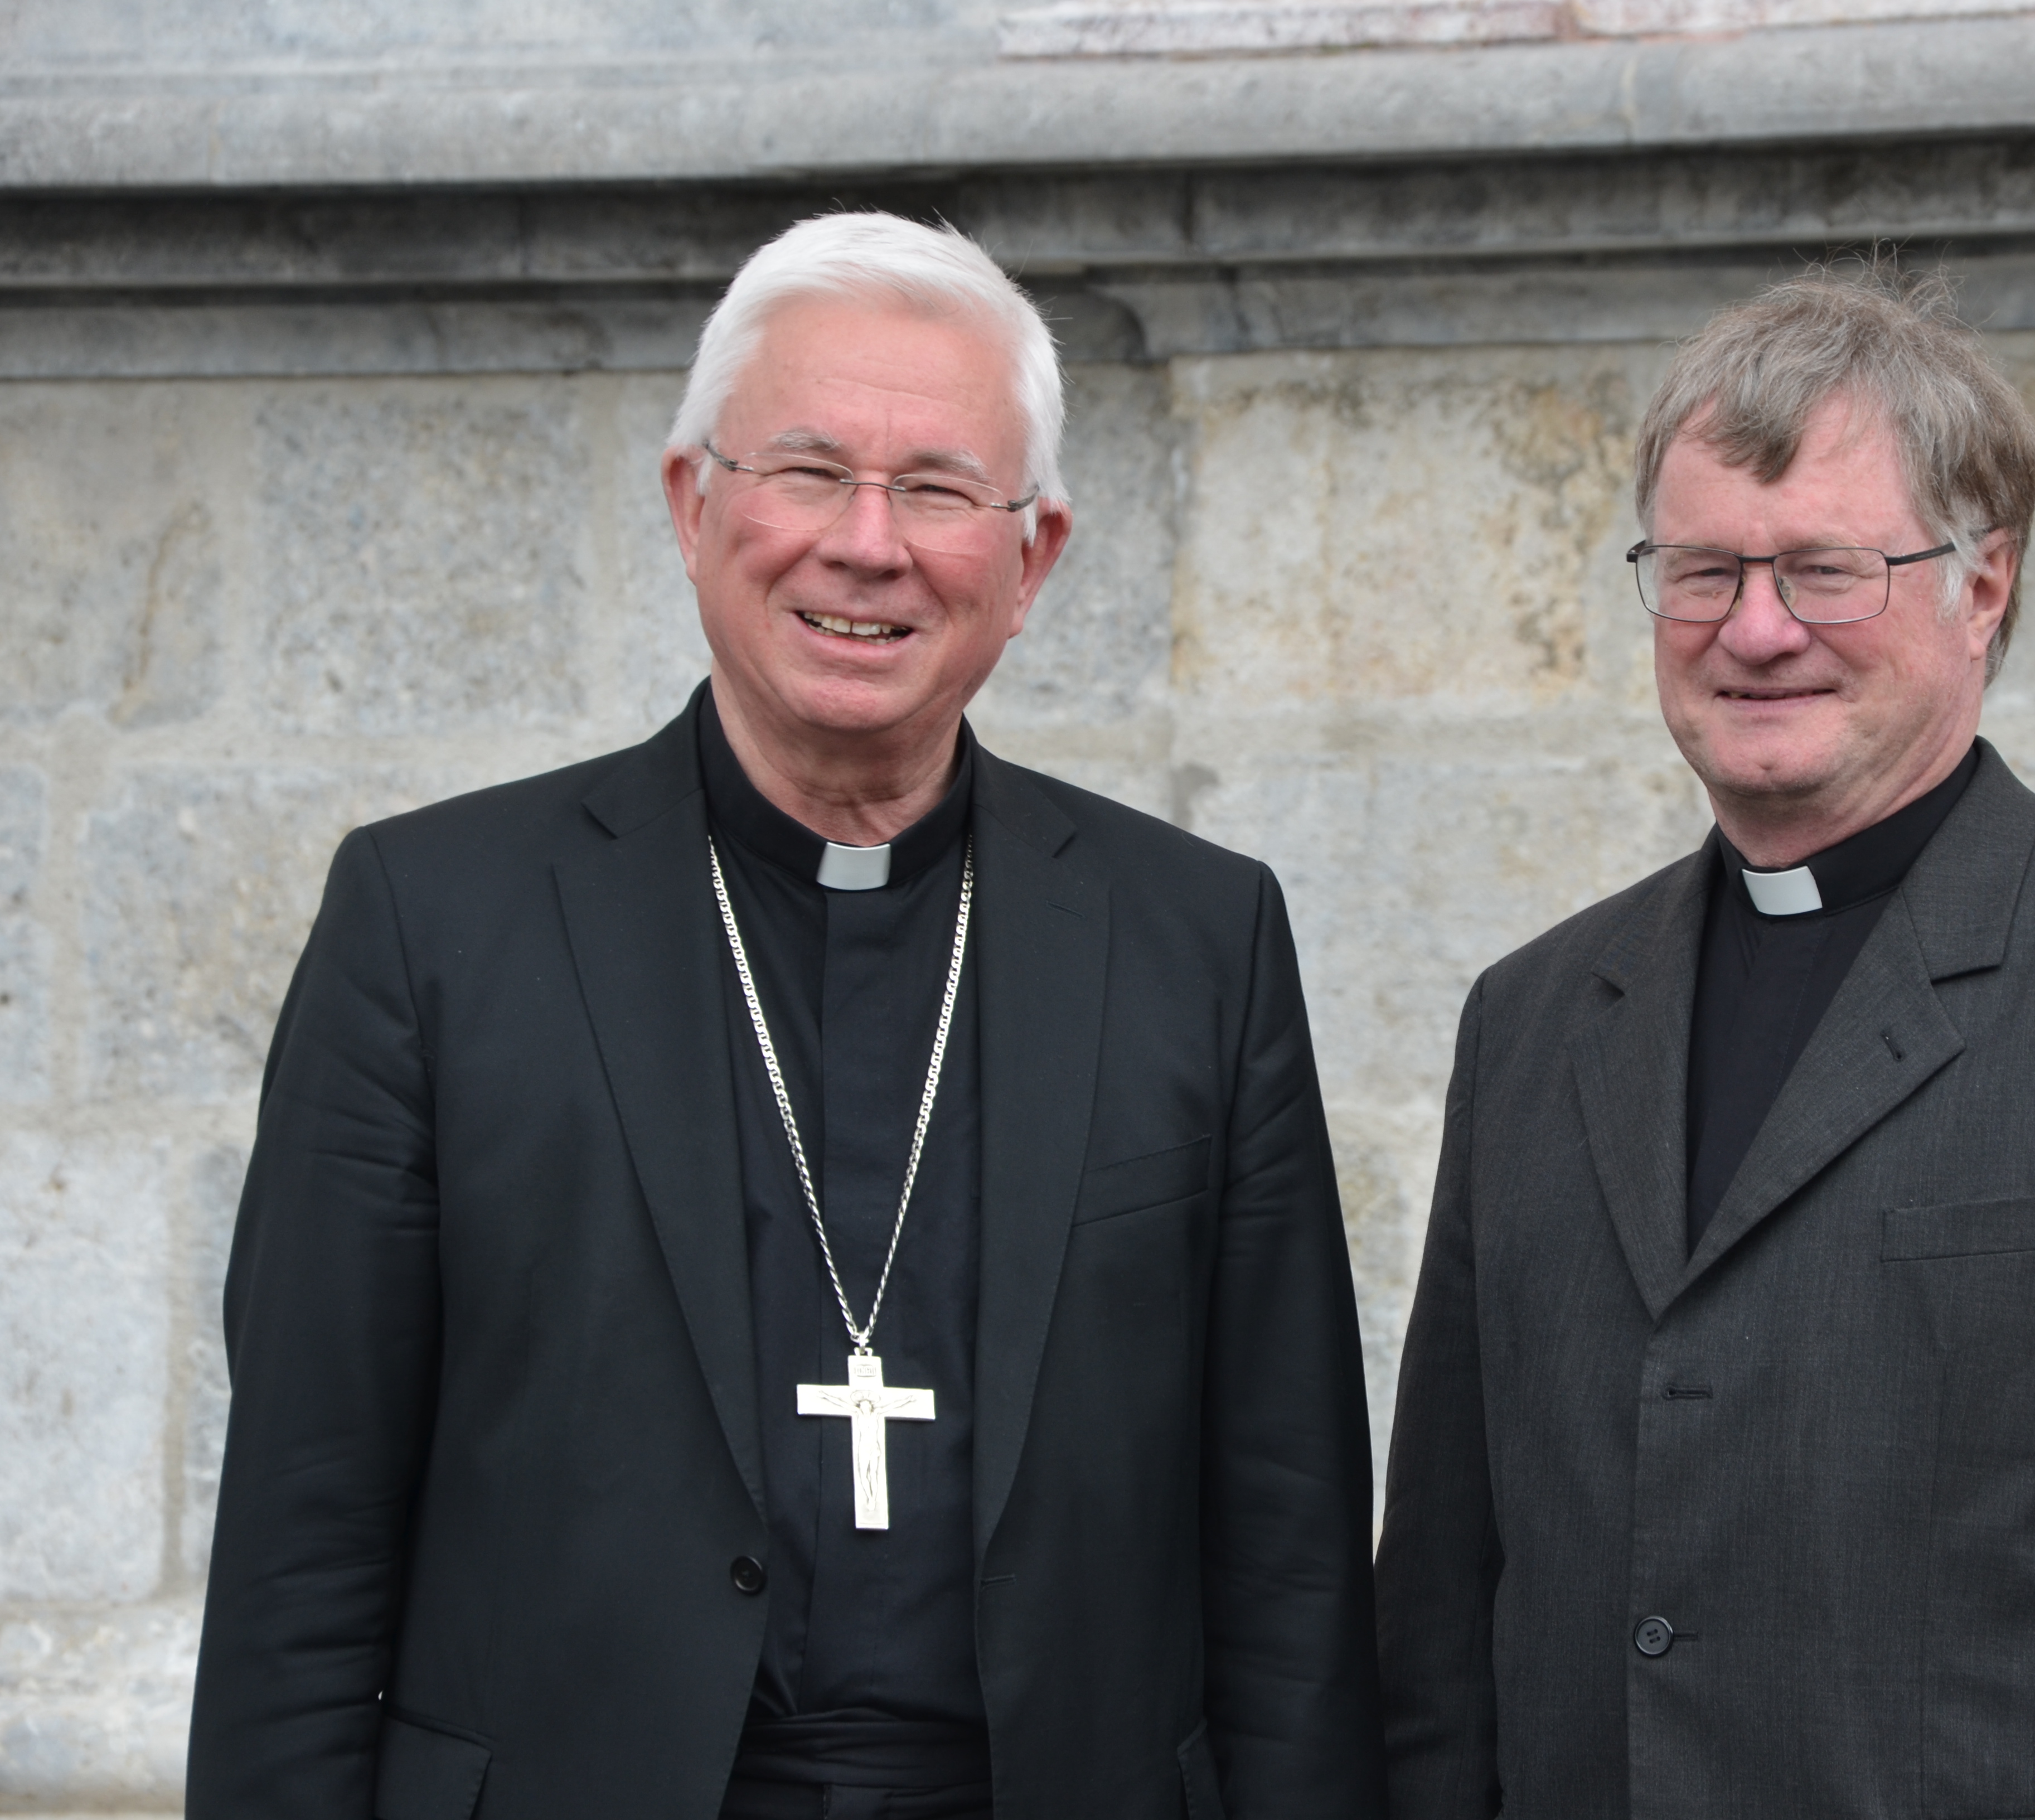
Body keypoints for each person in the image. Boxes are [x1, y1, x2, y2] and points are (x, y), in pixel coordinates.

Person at [187, 212, 1384, 1820]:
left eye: (942, 489)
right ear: (695, 508)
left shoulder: (1197, 938)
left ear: (1031, 562)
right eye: (809, 471)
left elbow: (1290, 1540)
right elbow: (303, 1543)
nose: (867, 543)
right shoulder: (434, 924)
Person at [1375, 271, 2035, 1819]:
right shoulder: (1532, 1017)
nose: (1758, 629)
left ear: (1980, 589)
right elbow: (1447, 1622)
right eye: (1704, 571)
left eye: (1826, 570)